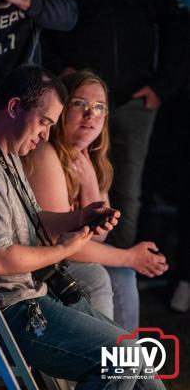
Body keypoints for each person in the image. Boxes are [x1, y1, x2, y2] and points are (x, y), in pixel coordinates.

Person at [0, 65, 166, 389]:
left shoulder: (0, 147)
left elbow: (34, 216)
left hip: (26, 299)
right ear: (14, 108)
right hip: (1, 314)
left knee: (136, 362)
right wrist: (63, 249)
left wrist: (78, 218)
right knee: (123, 359)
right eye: (45, 122)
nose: (47, 135)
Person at [42, 0, 190, 250]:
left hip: (134, 99)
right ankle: (71, 261)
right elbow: (46, 18)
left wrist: (162, 87)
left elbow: (176, 25)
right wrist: (60, 71)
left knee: (126, 191)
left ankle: (119, 267)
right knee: (67, 171)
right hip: (76, 97)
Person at [23, 70, 169, 332]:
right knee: (114, 274)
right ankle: (109, 366)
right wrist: (128, 257)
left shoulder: (89, 158)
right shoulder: (46, 153)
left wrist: (90, 184)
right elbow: (62, 242)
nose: (91, 115)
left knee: (123, 276)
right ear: (61, 110)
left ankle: (123, 368)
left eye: (99, 107)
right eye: (80, 104)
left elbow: (98, 236)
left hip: (63, 256)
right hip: (38, 260)